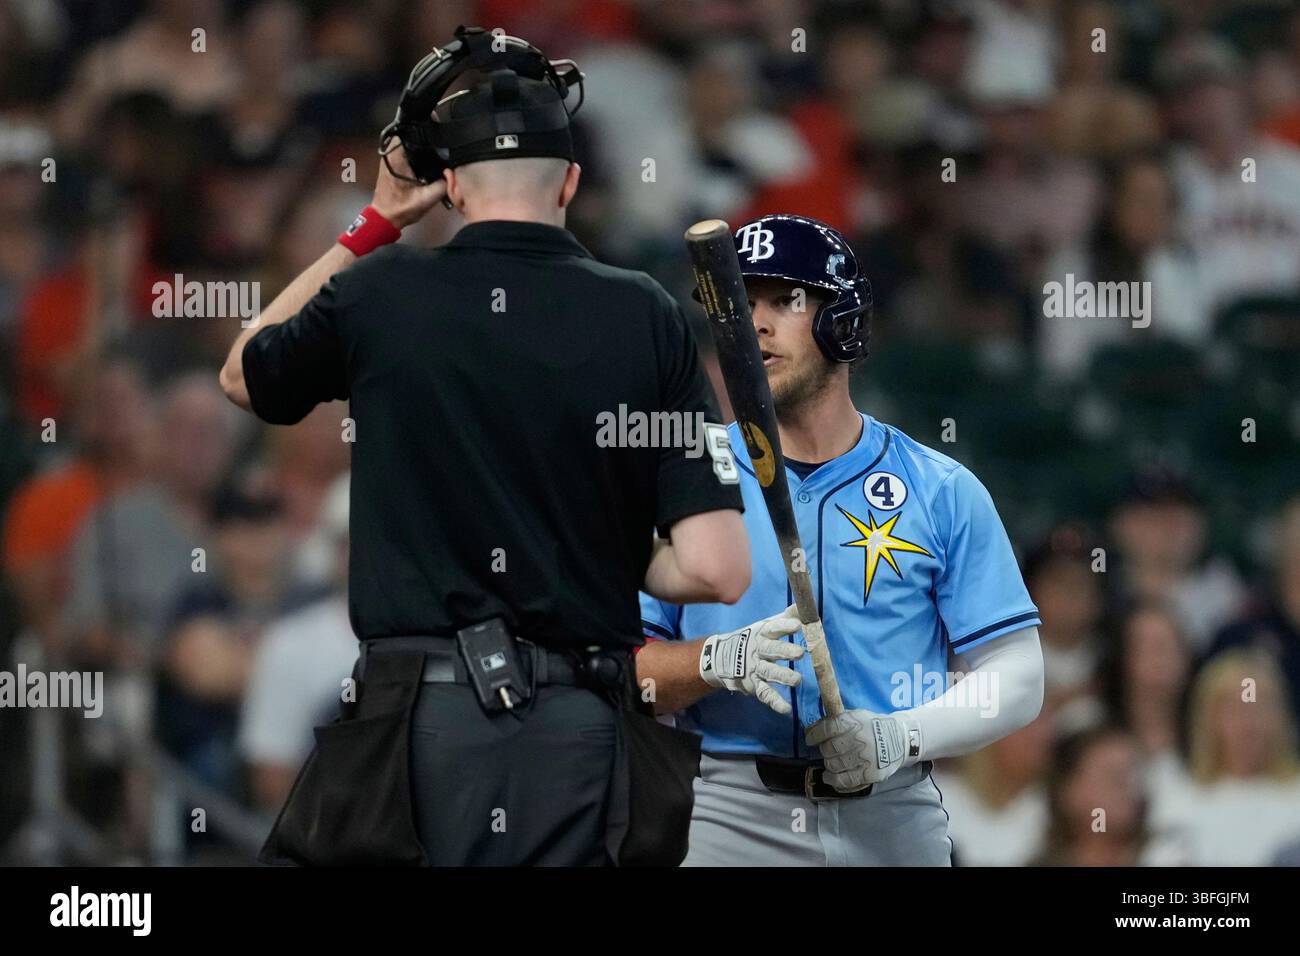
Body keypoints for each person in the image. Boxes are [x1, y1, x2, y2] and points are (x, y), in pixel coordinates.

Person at [218, 30, 749, 866]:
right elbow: (718, 569)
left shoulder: (382, 292)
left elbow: (243, 374)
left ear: (452, 186)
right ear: (571, 180)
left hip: (417, 725)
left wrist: (375, 223)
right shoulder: (646, 313)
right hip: (581, 730)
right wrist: (611, 549)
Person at [636, 214, 1044, 865]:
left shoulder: (941, 488)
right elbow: (627, 673)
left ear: (842, 322)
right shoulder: (683, 481)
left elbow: (1018, 677)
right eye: (742, 306)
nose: (757, 324)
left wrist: (899, 735)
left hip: (895, 811)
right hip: (732, 813)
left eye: (785, 301)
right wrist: (712, 660)